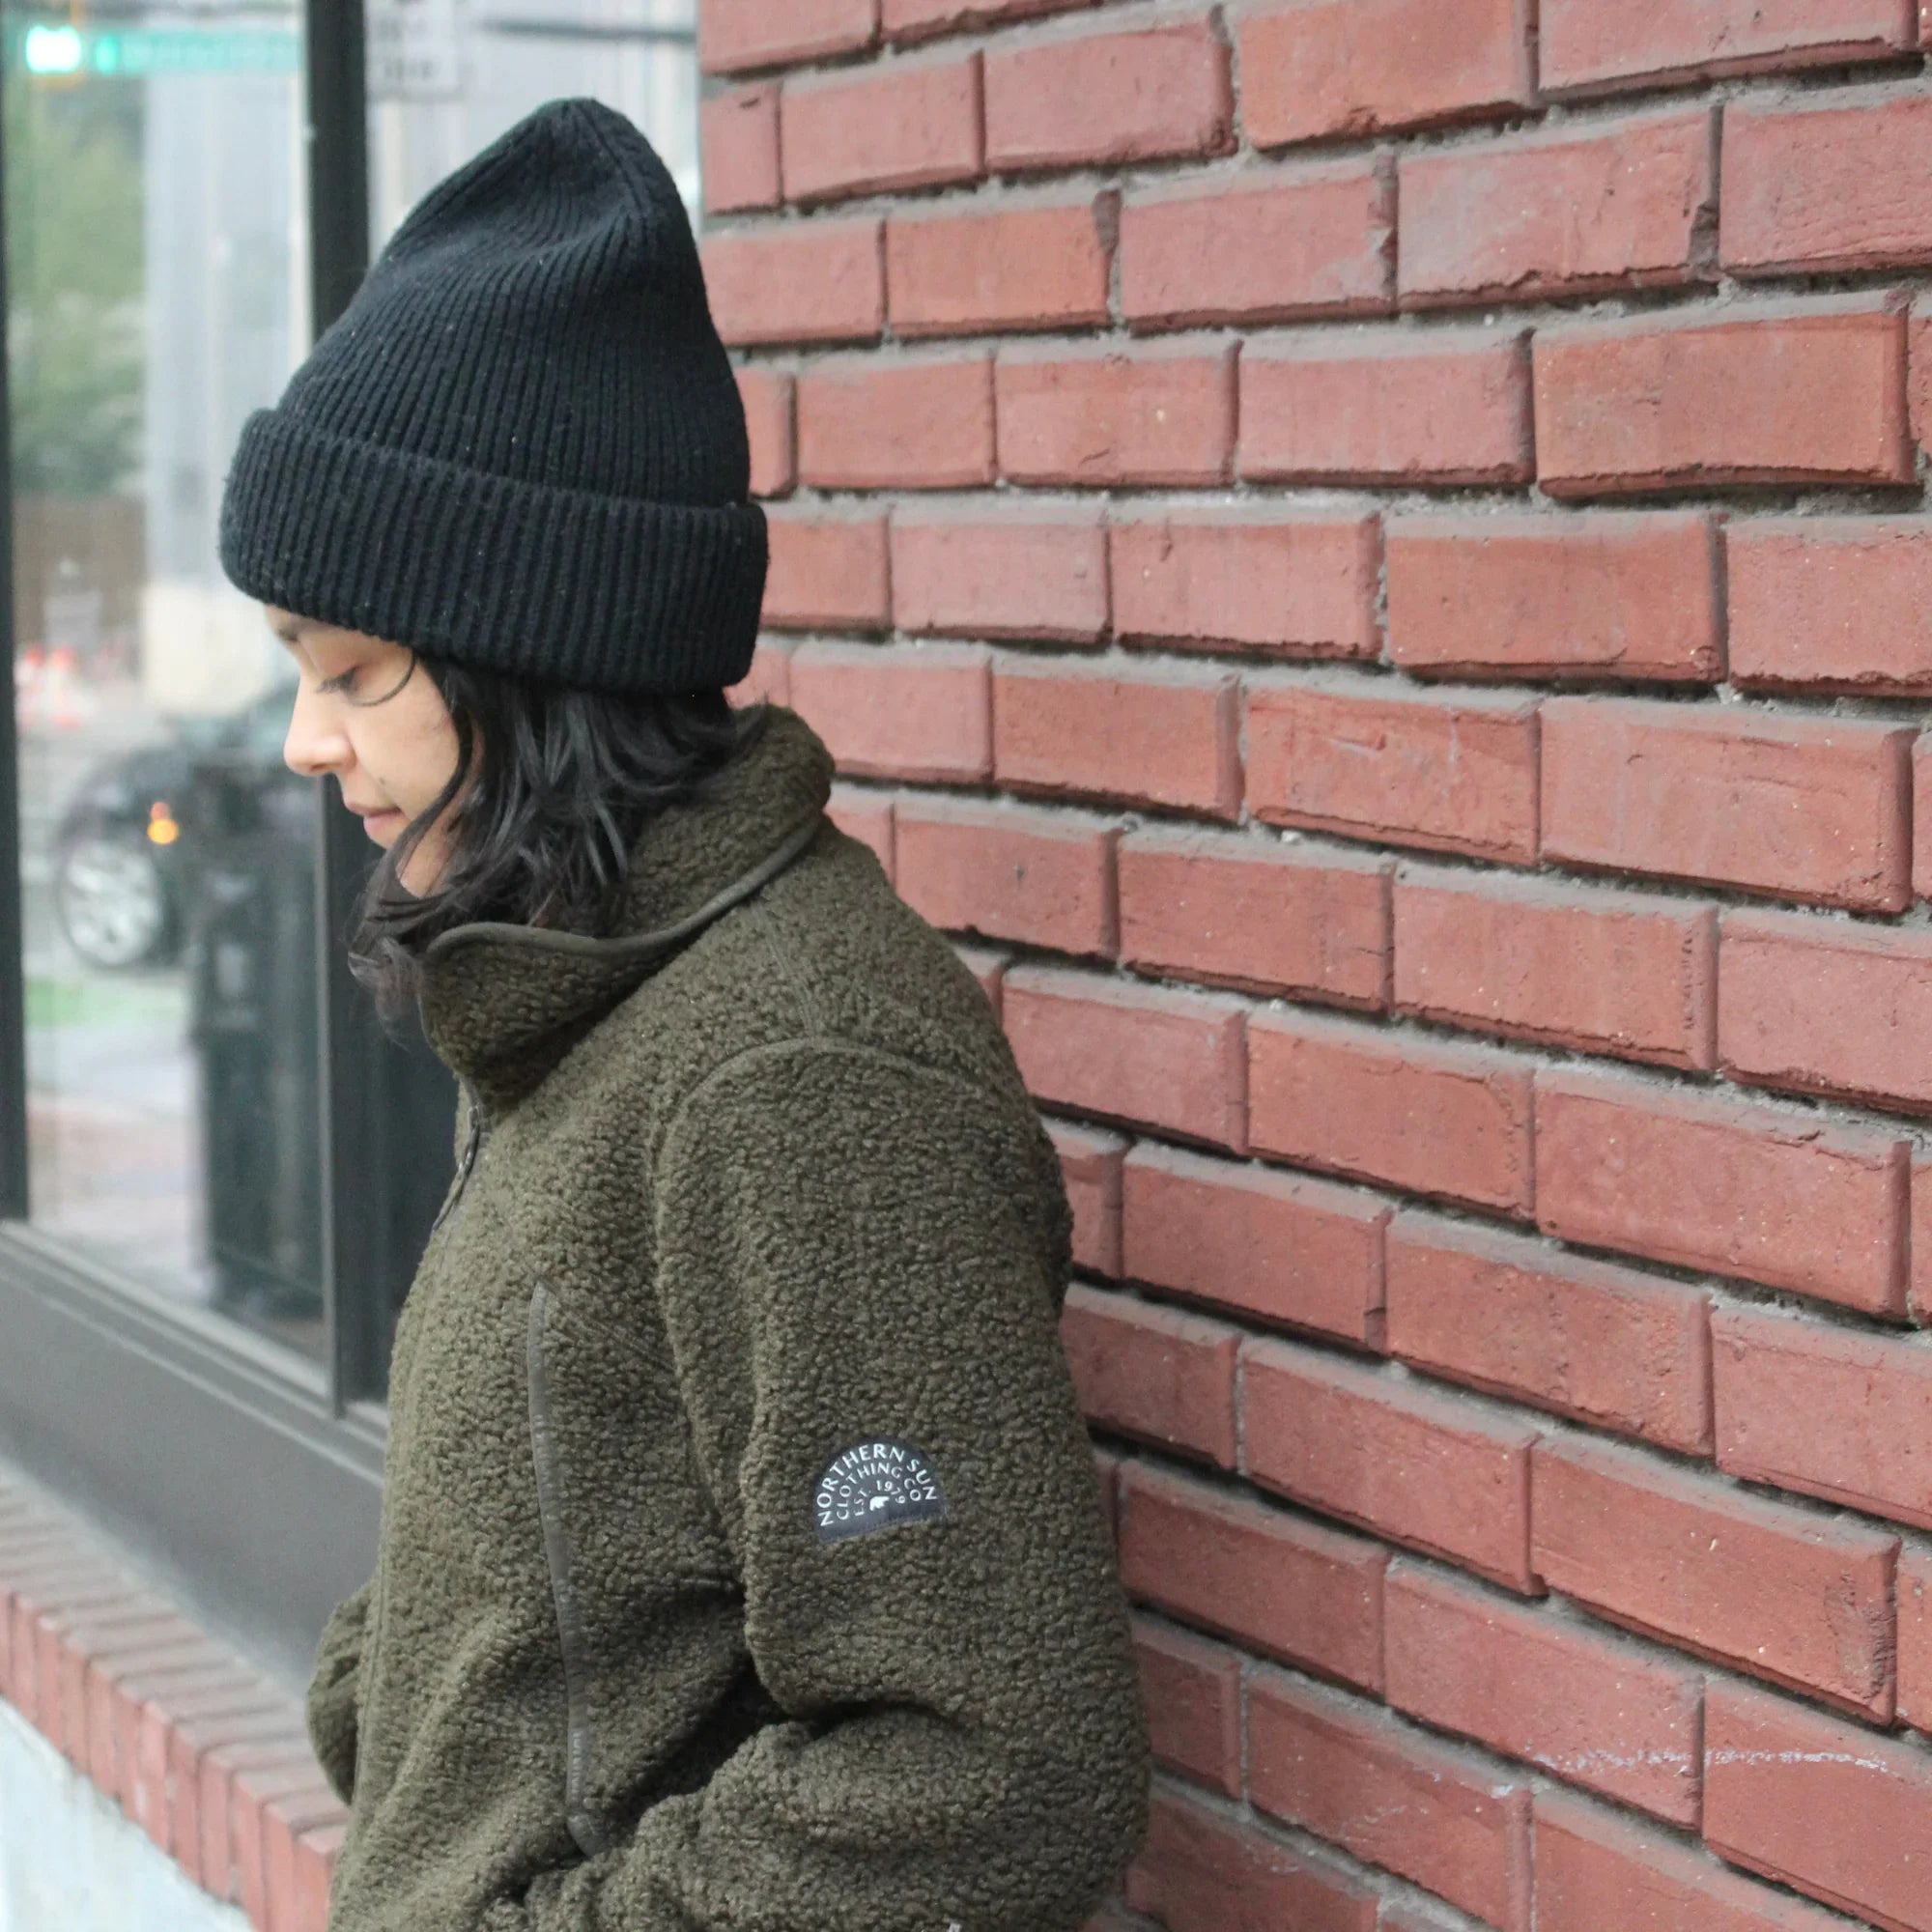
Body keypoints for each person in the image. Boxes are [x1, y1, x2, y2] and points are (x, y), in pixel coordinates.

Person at [216, 96, 1150, 1932]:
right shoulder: (581, 972)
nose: (309, 741)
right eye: (296, 669)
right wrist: (397, 1698)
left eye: (360, 672)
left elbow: (997, 1767)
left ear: (545, 653)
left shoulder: (790, 1071)